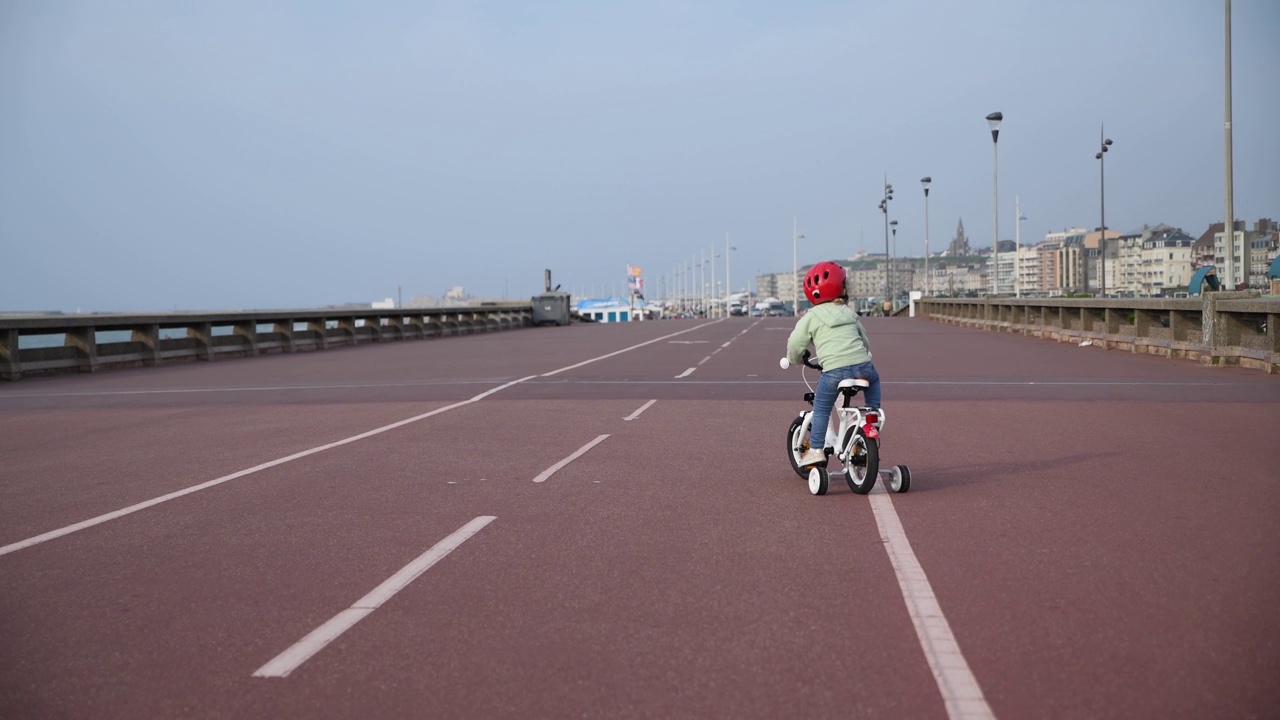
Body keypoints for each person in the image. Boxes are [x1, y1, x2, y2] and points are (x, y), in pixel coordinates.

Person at [786, 261, 882, 467]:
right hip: (863, 366)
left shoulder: (811, 317)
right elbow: (864, 340)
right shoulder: (849, 313)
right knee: (874, 380)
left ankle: (817, 450)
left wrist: (794, 359)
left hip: (835, 372)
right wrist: (862, 355)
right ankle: (872, 413)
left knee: (821, 407)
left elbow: (796, 343)